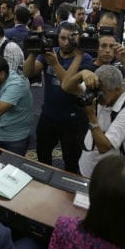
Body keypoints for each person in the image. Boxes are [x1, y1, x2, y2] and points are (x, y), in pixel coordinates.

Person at [24, 23, 95, 173]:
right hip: (48, 114)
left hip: (73, 119)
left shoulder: (85, 59)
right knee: (43, 155)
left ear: (77, 39)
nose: (66, 42)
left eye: (70, 39)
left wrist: (55, 64)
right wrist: (33, 52)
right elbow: (28, 72)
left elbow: (68, 85)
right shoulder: (52, 52)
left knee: (71, 160)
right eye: (62, 38)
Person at [62, 65, 125, 177]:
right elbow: (67, 87)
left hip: (106, 174)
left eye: (103, 93)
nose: (98, 97)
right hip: (86, 163)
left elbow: (104, 147)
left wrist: (91, 115)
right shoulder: (101, 88)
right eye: (97, 92)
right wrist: (82, 73)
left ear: (117, 89)